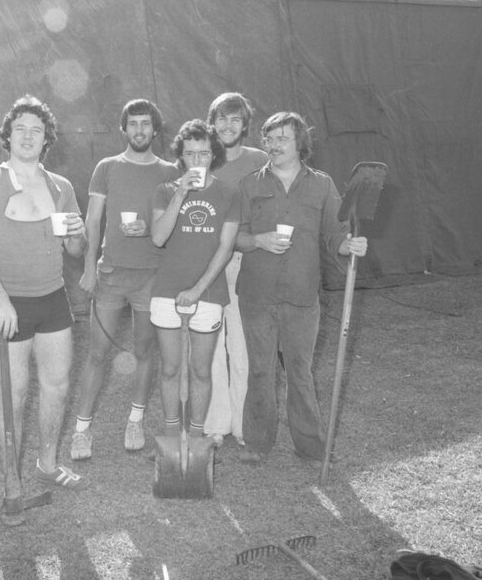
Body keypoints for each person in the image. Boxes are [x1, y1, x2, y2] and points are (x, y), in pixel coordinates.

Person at [0, 95, 89, 526]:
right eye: (20, 128)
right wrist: (0, 301)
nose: (28, 136)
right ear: (7, 135)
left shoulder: (61, 187)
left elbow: (75, 250)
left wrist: (78, 233)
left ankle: (47, 462)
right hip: (8, 302)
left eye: (36, 130)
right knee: (12, 396)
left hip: (53, 298)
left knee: (56, 386)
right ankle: (11, 481)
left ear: (46, 140)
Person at [234, 112, 368, 465]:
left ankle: (310, 445)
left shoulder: (322, 185)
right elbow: (235, 236)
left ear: (300, 145)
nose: (274, 145)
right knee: (260, 370)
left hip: (303, 294)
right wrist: (258, 240)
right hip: (256, 294)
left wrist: (349, 246)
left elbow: (335, 234)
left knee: (300, 371)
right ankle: (257, 442)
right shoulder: (250, 185)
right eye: (269, 138)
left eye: (283, 138)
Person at [70, 99, 180, 460]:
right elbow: (92, 220)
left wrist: (149, 228)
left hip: (153, 274)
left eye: (145, 124)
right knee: (97, 354)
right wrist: (89, 266)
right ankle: (81, 430)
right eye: (133, 124)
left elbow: (172, 223)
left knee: (145, 351)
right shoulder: (107, 167)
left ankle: (135, 420)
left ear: (155, 129)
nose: (139, 130)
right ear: (123, 129)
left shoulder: (169, 171)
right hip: (112, 273)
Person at [149, 120, 240, 441]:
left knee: (201, 370)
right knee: (171, 368)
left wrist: (198, 290)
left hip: (208, 293)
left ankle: (198, 435)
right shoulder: (165, 191)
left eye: (203, 154)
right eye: (190, 154)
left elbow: (226, 248)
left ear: (213, 154)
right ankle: (172, 433)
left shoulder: (228, 192)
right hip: (166, 292)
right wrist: (181, 193)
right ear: (181, 157)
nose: (197, 161)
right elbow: (158, 238)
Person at [203, 92, 270, 449]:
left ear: (245, 124)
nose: (227, 126)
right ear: (212, 122)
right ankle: (216, 424)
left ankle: (245, 424)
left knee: (243, 346)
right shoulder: (203, 159)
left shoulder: (260, 159)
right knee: (211, 345)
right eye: (221, 119)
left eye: (235, 119)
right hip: (209, 263)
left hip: (246, 263)